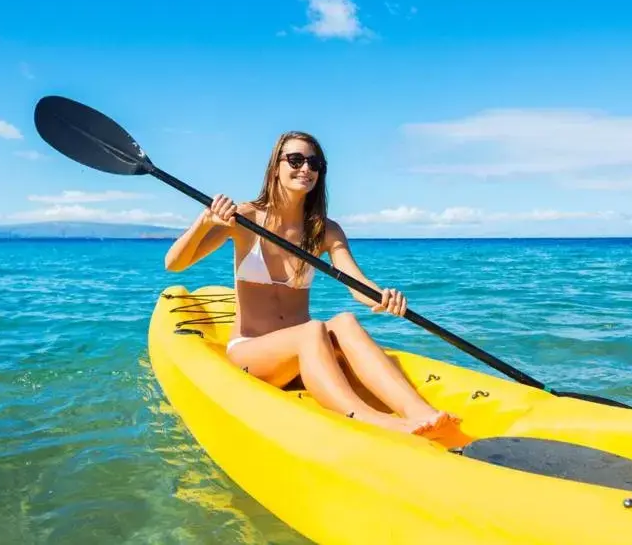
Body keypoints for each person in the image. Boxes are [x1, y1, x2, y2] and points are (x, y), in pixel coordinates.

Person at [165, 130, 460, 438]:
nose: (305, 168)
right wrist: (205, 222)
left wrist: (383, 298)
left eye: (314, 163)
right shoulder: (246, 217)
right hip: (252, 353)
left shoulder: (325, 230)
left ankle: (420, 412)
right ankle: (374, 421)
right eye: (295, 159)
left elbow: (356, 283)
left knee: (344, 322)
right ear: (275, 167)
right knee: (312, 330)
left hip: (305, 354)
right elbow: (174, 264)